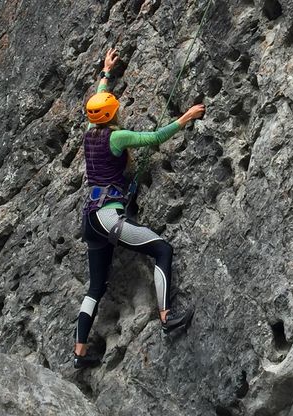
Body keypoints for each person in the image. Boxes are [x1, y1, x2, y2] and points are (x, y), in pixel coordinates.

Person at [74, 48, 206, 369]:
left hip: (91, 218)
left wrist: (106, 71)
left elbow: (99, 98)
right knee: (162, 250)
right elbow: (154, 136)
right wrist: (185, 118)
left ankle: (79, 352)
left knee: (96, 286)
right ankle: (166, 317)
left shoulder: (91, 131)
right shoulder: (117, 137)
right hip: (108, 216)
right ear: (112, 115)